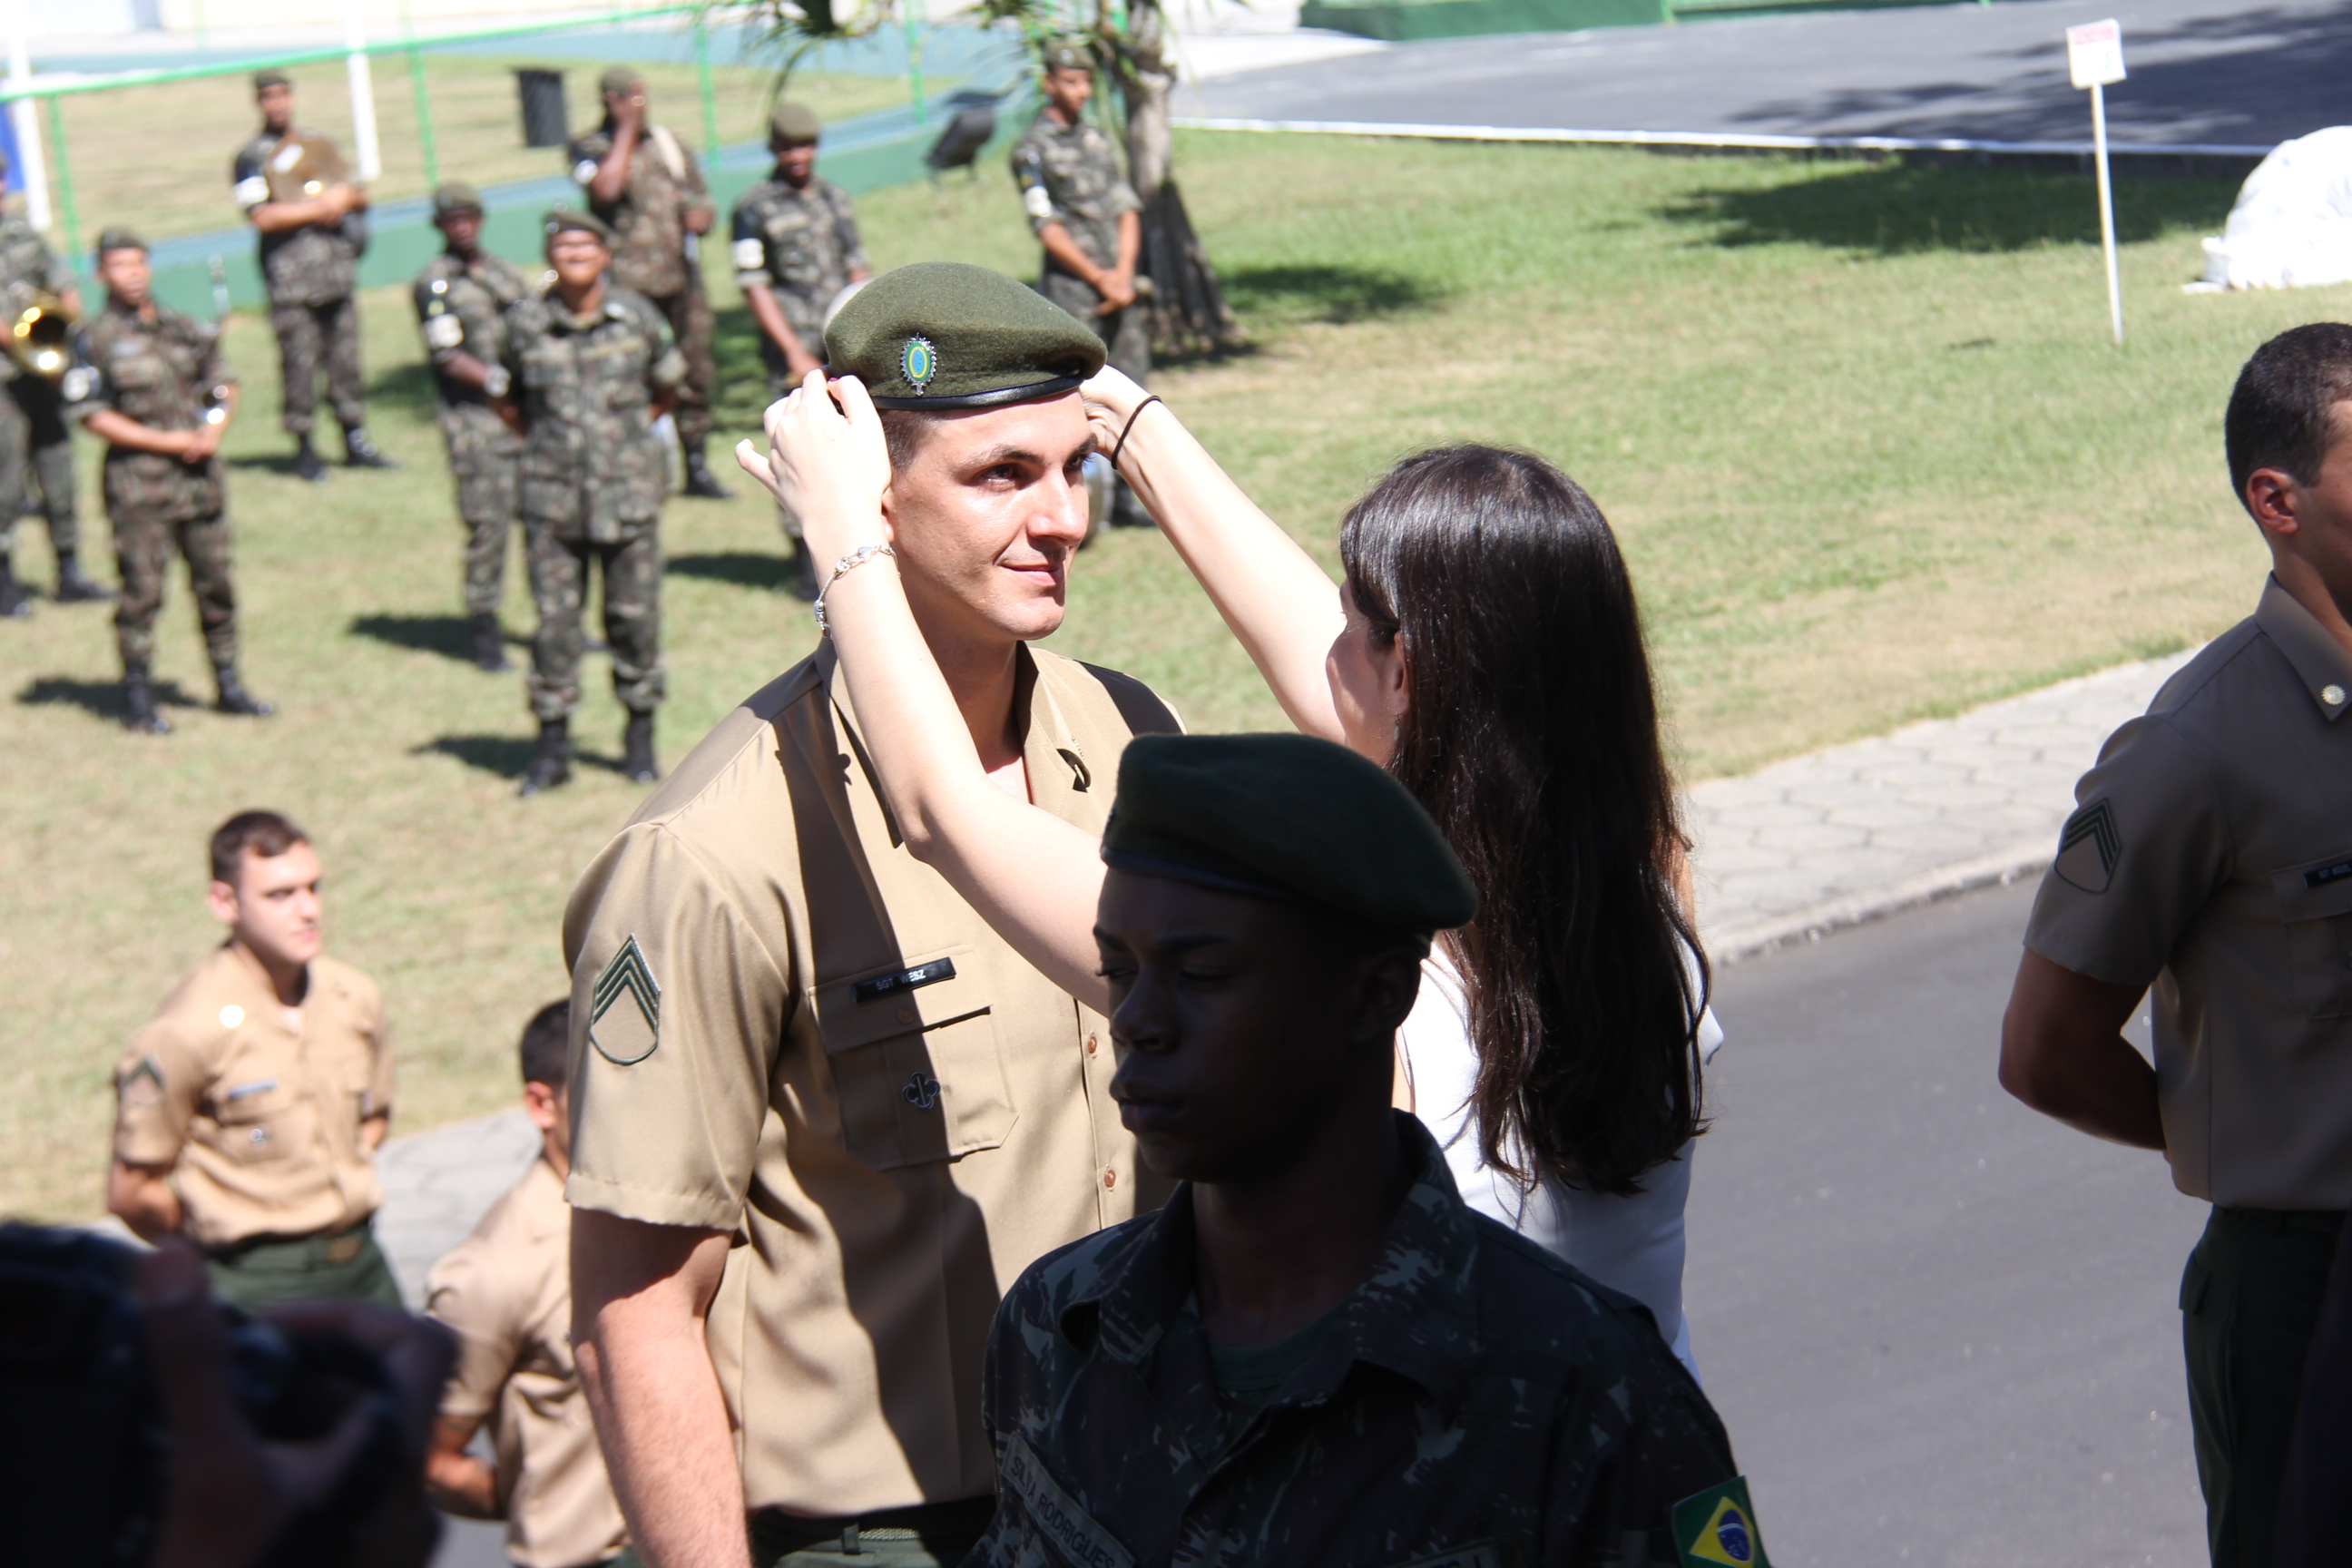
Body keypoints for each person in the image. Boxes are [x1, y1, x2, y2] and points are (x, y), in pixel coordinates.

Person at [747, 376, 1718, 1374]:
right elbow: (1388, 697)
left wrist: (845, 536)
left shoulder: (1347, 983)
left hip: (1445, 1467)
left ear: (1405, 674)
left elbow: (944, 810)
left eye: (1351, 624)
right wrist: (1118, 417)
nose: (1324, 643)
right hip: (1645, 1444)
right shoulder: (1647, 881)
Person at [563, 262, 1179, 1568]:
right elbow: (635, 1310)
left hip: (1155, 1480)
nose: (1064, 518)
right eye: (1002, 475)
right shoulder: (715, 850)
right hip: (903, 1533)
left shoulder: (1130, 736)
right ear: (870, 496)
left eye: (1074, 469)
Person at [965, 732, 1760, 1567]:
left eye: (1202, 975)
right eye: (1120, 969)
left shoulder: (1590, 1397)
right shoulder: (1058, 1329)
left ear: (1378, 991)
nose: (1135, 1022)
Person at [1999, 321, 2352, 1568]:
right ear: (2278, 501)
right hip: (2307, 1292)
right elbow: (2045, 1052)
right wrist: (2236, 1134)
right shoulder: (2196, 748)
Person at [107, 810, 400, 1313]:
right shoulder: (186, 1031)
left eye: (313, 888)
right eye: (280, 895)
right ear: (225, 902)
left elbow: (374, 1118)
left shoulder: (354, 996)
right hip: (257, 1285)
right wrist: (213, 1247)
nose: (308, 910)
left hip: (362, 1266)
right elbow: (133, 1191)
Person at [425, 1000, 632, 1568]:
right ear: (542, 1104)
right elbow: (433, 1459)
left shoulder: (674, 1213)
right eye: (602, 1086)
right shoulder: (492, 1272)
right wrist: (536, 1504)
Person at [495, 209, 683, 797]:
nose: (575, 254)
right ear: (549, 257)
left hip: (628, 497)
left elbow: (667, 386)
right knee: (555, 625)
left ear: (605, 254)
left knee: (634, 619)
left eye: (586, 245)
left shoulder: (637, 316)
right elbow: (508, 400)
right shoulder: (525, 324)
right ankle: (552, 748)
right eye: (563, 246)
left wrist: (623, 445)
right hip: (552, 504)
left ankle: (639, 739)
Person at [68, 227, 272, 733]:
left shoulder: (183, 326)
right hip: (140, 487)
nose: (133, 274)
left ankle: (228, 684)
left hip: (199, 482)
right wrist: (168, 442)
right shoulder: (93, 340)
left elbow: (222, 381)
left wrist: (214, 427)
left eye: (139, 262)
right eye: (121, 265)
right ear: (101, 274)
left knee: (216, 584)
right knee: (142, 592)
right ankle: (139, 697)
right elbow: (92, 414)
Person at [730, 100, 870, 599]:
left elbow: (858, 270)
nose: (798, 156)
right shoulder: (754, 207)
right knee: (795, 444)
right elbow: (755, 284)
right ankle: (803, 557)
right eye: (788, 147)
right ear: (773, 147)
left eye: (806, 145)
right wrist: (790, 348)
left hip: (841, 346)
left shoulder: (834, 198)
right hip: (792, 349)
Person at [568, 65, 727, 499]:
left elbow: (700, 199)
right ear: (611, 101)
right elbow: (605, 190)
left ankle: (696, 464)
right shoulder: (590, 147)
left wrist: (701, 217)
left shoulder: (669, 145)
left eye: (642, 97)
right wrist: (624, 129)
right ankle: (635, 466)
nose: (639, 106)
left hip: (681, 277)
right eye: (629, 98)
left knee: (694, 369)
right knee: (632, 373)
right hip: (628, 286)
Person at [1010, 39, 1149, 528]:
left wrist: (1123, 273)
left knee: (1132, 386)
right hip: (1073, 293)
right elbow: (1046, 226)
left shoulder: (1095, 138)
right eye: (1071, 81)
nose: (1082, 91)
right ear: (1049, 83)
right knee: (1076, 399)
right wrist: (1099, 277)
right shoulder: (1031, 148)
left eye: (1087, 81)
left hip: (1120, 288)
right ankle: (1086, 500)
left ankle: (1131, 498)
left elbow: (1126, 207)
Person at [232, 69, 393, 482]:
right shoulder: (252, 158)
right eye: (269, 97)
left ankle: (355, 439)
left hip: (335, 271)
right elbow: (262, 216)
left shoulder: (317, 145)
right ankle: (305, 447)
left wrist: (344, 198)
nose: (278, 104)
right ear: (259, 102)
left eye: (283, 95)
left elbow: (356, 193)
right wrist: (317, 209)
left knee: (346, 362)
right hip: (292, 281)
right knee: (299, 365)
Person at [415, 181, 530, 673]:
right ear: (439, 226)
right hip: (476, 424)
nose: (462, 227)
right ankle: (485, 631)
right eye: (451, 220)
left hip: (523, 421)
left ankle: (556, 622)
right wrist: (499, 381)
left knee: (546, 525)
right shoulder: (436, 283)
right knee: (488, 526)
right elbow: (447, 355)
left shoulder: (504, 271)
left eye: (468, 217)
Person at [0, 145, 105, 616]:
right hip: (6, 381)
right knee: (6, 482)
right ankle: (4, 581)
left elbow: (62, 285)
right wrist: (26, 350)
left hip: (44, 374)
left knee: (58, 471)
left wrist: (65, 329)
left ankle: (70, 572)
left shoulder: (23, 234)